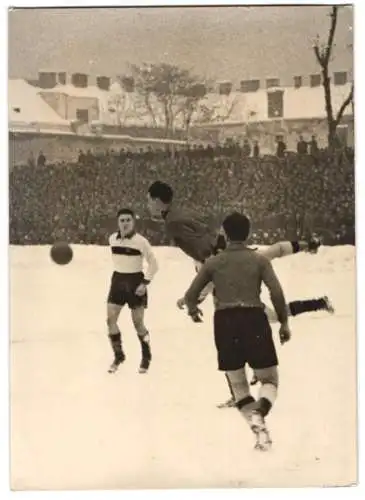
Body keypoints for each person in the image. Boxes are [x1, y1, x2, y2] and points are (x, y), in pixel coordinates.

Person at [146, 180, 334, 405]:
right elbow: (206, 235)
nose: (147, 204)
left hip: (222, 264)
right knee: (271, 258)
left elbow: (203, 251)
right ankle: (311, 261)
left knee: (248, 321)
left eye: (148, 199)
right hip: (226, 252)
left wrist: (196, 293)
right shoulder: (179, 213)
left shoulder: (173, 223)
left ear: (157, 201)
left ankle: (239, 393)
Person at [183, 212, 291, 451]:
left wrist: (192, 310)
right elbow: (277, 293)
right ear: (249, 233)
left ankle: (259, 432)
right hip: (253, 318)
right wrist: (284, 323)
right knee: (269, 379)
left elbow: (192, 295)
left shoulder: (213, 262)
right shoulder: (259, 261)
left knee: (239, 388)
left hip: (224, 322)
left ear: (224, 233)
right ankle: (260, 411)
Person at [107, 208, 158, 374]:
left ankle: (146, 355)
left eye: (128, 220)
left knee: (138, 323)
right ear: (118, 222)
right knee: (110, 320)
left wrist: (144, 283)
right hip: (118, 282)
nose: (125, 223)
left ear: (133, 222)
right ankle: (119, 355)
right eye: (122, 220)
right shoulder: (112, 239)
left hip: (136, 283)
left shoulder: (141, 241)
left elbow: (153, 264)